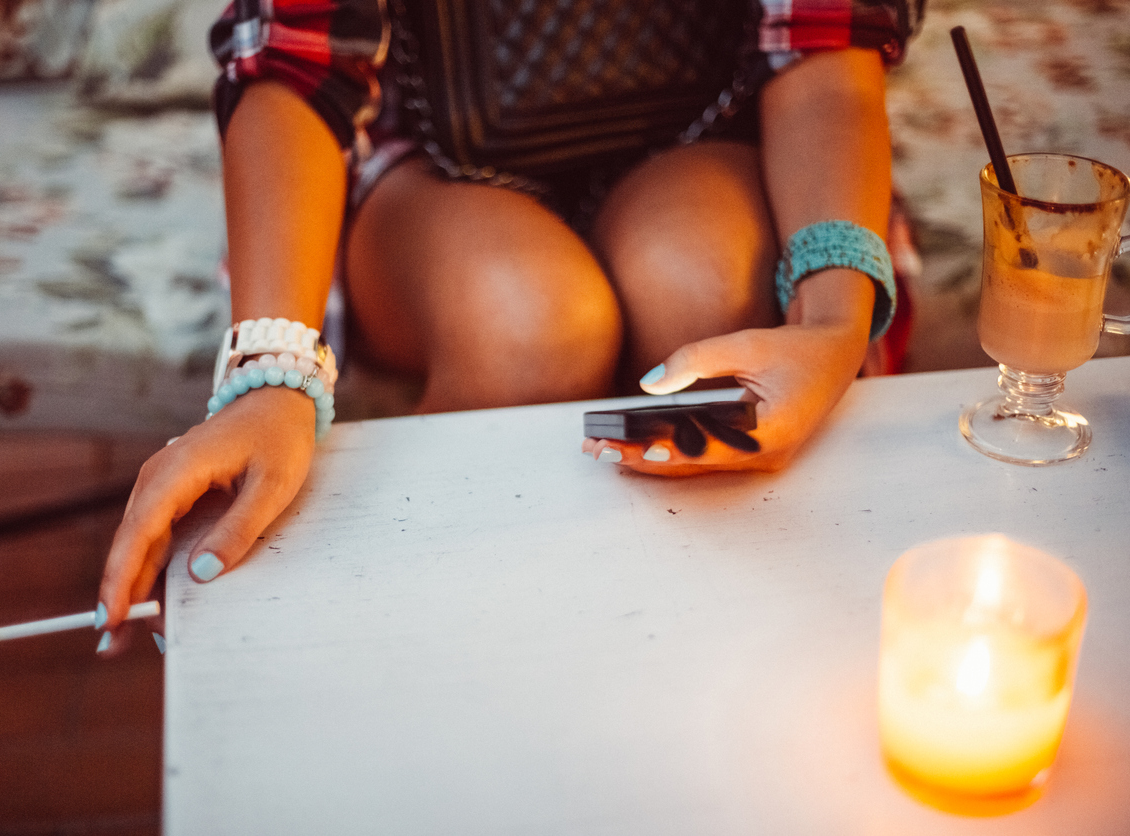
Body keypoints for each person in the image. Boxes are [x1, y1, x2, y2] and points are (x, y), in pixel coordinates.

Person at [93, 0, 924, 655]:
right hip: (422, 158)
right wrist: (271, 376)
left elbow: (825, 41)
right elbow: (299, 62)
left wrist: (831, 324)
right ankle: (458, 646)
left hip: (708, 134)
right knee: (527, 326)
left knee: (709, 294)